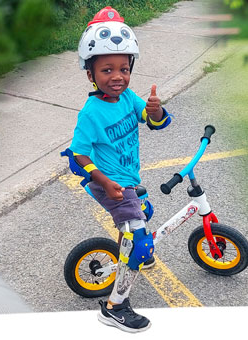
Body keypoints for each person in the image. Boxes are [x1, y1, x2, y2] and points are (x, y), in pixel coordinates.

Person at [65, 6, 173, 333]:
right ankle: (115, 307)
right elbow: (77, 156)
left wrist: (156, 110)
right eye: (107, 70)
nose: (117, 77)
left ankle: (126, 245)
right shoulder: (91, 113)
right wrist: (104, 180)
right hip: (108, 183)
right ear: (91, 75)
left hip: (128, 180)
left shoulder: (128, 98)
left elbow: (155, 122)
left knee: (143, 212)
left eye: (124, 69)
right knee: (140, 243)